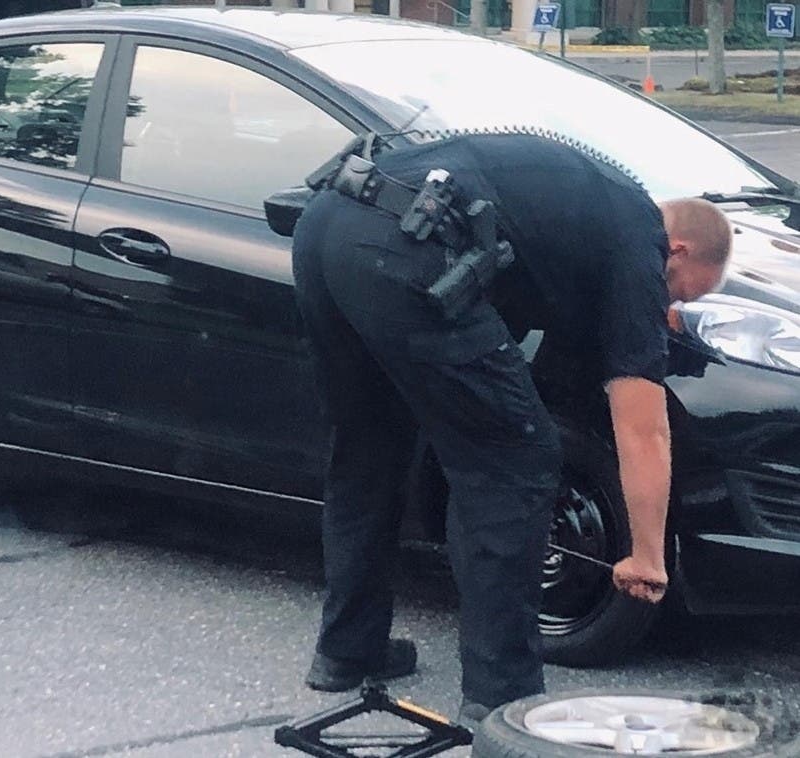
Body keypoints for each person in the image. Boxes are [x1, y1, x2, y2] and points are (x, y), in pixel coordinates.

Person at [289, 132, 732, 723]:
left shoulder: (582, 209)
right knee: (512, 464)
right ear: (675, 250)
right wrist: (648, 555)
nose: (663, 307)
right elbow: (643, 427)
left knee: (370, 446)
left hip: (325, 225)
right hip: (404, 248)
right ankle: (503, 696)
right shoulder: (637, 240)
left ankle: (347, 651)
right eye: (676, 292)